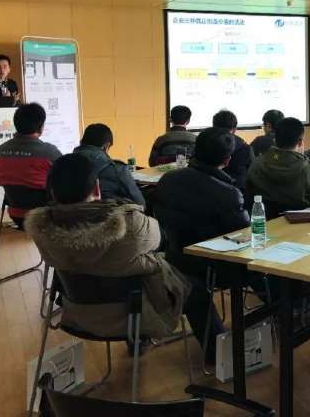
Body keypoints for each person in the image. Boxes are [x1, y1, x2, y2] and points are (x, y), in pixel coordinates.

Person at [25, 153, 222, 360]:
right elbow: (159, 239)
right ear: (97, 188)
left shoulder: (42, 230)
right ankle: (217, 356)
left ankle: (139, 342)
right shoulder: (130, 223)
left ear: (52, 191)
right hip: (134, 315)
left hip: (77, 314)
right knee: (197, 291)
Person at [154, 127, 250, 282]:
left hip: (173, 257)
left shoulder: (167, 179)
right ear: (227, 160)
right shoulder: (228, 193)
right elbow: (244, 232)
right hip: (216, 267)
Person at [0, 102, 61, 228]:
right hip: (44, 216)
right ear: (41, 127)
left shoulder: (1, 150)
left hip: (16, 215)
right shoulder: (49, 152)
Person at [247, 117, 310, 213]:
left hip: (266, 220)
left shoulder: (256, 165)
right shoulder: (309, 171)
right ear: (300, 142)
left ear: (275, 140)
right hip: (300, 221)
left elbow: (249, 195)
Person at [73, 123, 145, 207]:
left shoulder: (63, 166)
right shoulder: (117, 170)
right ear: (106, 146)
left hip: (69, 214)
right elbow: (140, 204)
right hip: (106, 214)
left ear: (81, 142)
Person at [212, 109, 254, 191]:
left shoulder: (205, 144)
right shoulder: (246, 148)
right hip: (238, 190)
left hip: (209, 189)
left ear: (213, 127)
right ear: (234, 129)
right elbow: (252, 174)